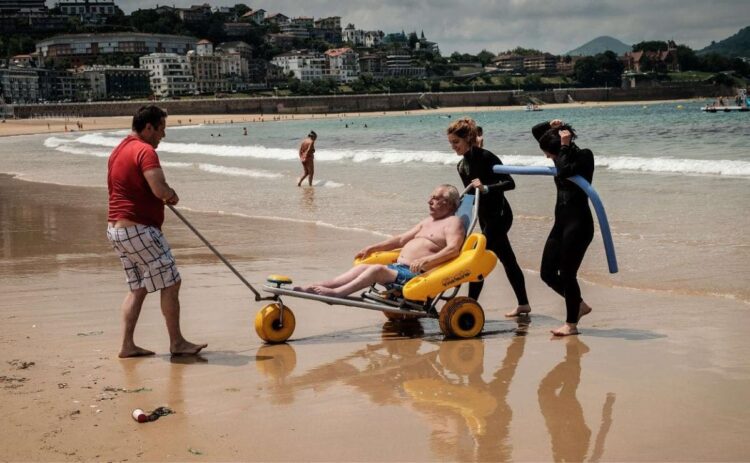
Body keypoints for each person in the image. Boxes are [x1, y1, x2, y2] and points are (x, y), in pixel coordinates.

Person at [106, 105, 207, 358]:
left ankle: (127, 346)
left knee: (138, 287)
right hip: (138, 229)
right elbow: (159, 189)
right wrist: (171, 196)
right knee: (171, 282)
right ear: (148, 127)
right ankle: (177, 343)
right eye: (161, 129)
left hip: (116, 229)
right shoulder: (145, 150)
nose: (163, 135)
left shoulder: (119, 149)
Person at [297, 185, 465, 297]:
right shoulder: (427, 221)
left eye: (435, 198)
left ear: (449, 204)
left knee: (376, 270)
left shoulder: (453, 222)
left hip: (418, 274)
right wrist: (373, 247)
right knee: (363, 267)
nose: (429, 201)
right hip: (398, 269)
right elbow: (400, 240)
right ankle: (313, 287)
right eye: (431, 197)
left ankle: (337, 293)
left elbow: (453, 249)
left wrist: (427, 260)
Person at [447, 117, 531, 317]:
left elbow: (510, 183)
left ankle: (468, 307)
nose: (453, 147)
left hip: (500, 215)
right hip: (484, 217)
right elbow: (470, 196)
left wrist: (486, 188)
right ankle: (524, 304)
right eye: (451, 143)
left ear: (467, 139)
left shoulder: (486, 157)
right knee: (507, 259)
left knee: (477, 257)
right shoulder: (461, 166)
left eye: (456, 142)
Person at [532, 119, 594, 336]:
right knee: (547, 273)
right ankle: (579, 305)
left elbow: (565, 171)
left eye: (550, 153)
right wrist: (552, 123)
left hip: (579, 224)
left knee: (568, 274)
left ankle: (571, 324)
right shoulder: (560, 153)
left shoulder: (584, 155)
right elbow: (537, 132)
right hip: (561, 223)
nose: (548, 157)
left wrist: (565, 145)